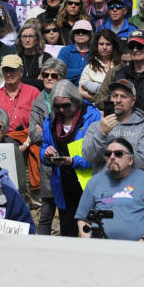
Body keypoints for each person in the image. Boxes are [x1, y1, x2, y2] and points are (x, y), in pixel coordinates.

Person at [75, 138, 144, 242]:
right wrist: (90, 243)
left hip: (138, 249)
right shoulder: (94, 182)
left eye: (118, 154)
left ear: (130, 160)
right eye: (108, 154)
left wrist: (143, 242)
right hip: (102, 249)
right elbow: (82, 219)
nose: (112, 157)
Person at [40, 80, 101, 236]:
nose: (61, 109)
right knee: (68, 232)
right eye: (57, 106)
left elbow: (98, 154)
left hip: (88, 182)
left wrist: (74, 161)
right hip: (63, 184)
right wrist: (46, 154)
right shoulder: (51, 119)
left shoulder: (92, 116)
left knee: (92, 232)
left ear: (76, 100)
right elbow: (44, 146)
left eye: (66, 105)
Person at [25, 58, 68, 234]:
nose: (49, 78)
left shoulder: (70, 97)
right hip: (48, 160)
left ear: (62, 78)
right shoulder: (39, 101)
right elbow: (33, 133)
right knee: (46, 211)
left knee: (67, 212)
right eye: (45, 74)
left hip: (68, 160)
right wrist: (57, 136)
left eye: (54, 75)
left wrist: (45, 132)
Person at [83, 79, 144, 172]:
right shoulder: (96, 127)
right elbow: (89, 157)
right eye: (114, 96)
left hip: (133, 185)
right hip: (103, 184)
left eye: (123, 96)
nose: (118, 100)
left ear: (133, 100)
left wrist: (107, 155)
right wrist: (102, 133)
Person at [95, 29, 144, 117]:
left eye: (139, 46)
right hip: (124, 128)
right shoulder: (120, 74)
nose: (135, 49)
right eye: (131, 46)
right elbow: (110, 107)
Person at [0, 54, 39, 135]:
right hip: (3, 141)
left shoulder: (33, 92)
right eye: (5, 70)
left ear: (21, 73)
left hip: (28, 140)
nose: (8, 74)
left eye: (12, 70)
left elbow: (41, 123)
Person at [79, 28, 120, 103]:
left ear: (113, 46)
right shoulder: (90, 67)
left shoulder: (120, 64)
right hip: (96, 107)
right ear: (96, 45)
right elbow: (81, 90)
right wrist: (101, 99)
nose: (104, 47)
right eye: (101, 44)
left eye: (108, 44)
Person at [58, 19, 93, 85]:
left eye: (84, 31)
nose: (80, 34)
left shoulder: (95, 52)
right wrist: (84, 71)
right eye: (77, 31)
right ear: (73, 34)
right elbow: (60, 72)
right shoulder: (65, 51)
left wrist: (71, 73)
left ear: (90, 34)